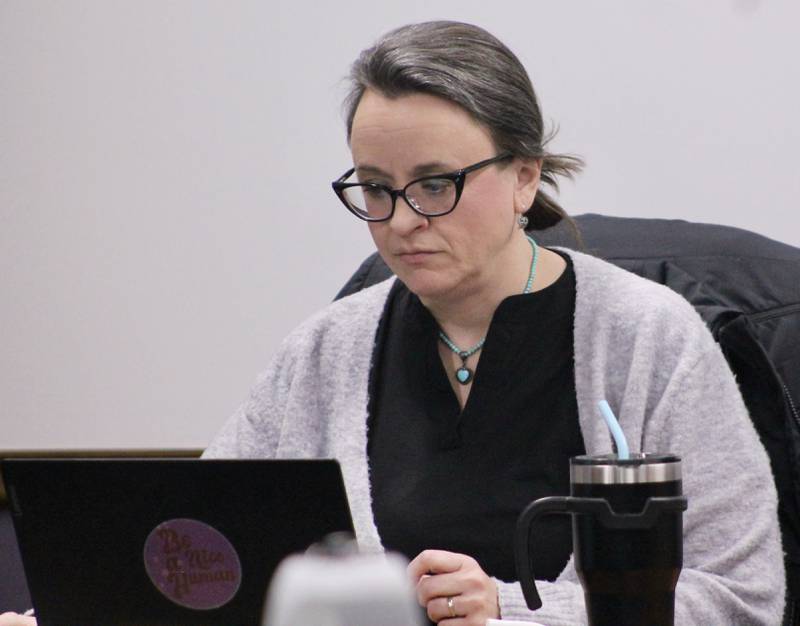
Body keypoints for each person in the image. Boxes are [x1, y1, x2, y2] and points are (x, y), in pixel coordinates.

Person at [1, 19, 783, 626]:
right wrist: (64, 613)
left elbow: (742, 600)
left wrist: (508, 610)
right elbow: (202, 551)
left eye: (435, 184)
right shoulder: (327, 349)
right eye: (375, 188)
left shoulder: (650, 339)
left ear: (523, 176)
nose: (402, 219)